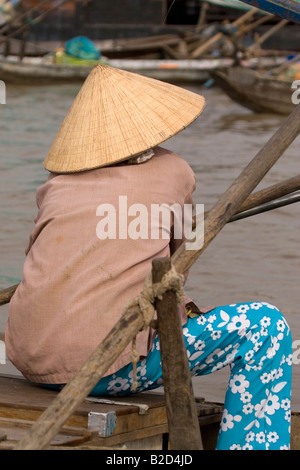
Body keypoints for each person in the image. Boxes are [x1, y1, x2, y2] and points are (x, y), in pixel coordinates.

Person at [5, 64, 292, 450]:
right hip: (101, 371)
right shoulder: (174, 170)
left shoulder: (54, 187)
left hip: (27, 358)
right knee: (265, 328)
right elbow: (178, 260)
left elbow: (44, 261)